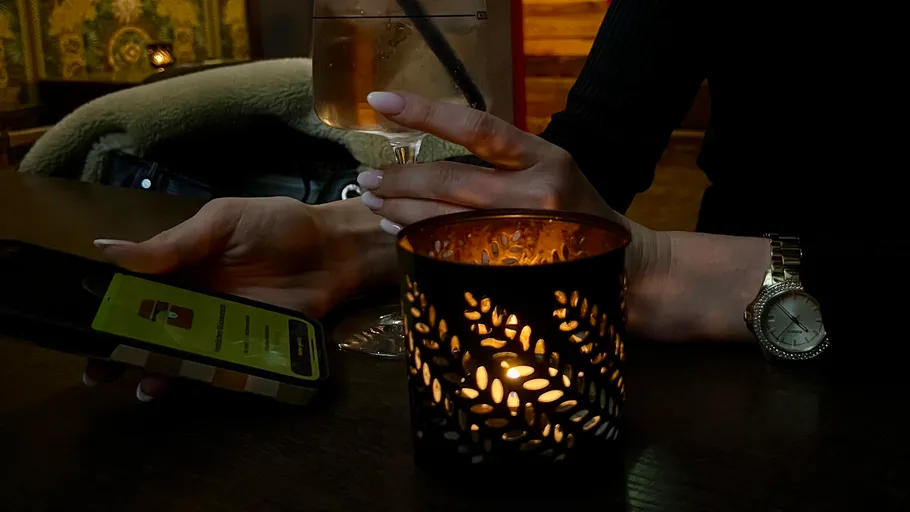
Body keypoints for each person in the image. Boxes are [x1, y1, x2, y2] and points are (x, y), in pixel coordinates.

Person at [87, 1, 897, 400]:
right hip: (744, 380)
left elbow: (606, 232)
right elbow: (593, 161)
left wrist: (661, 267)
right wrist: (361, 242)